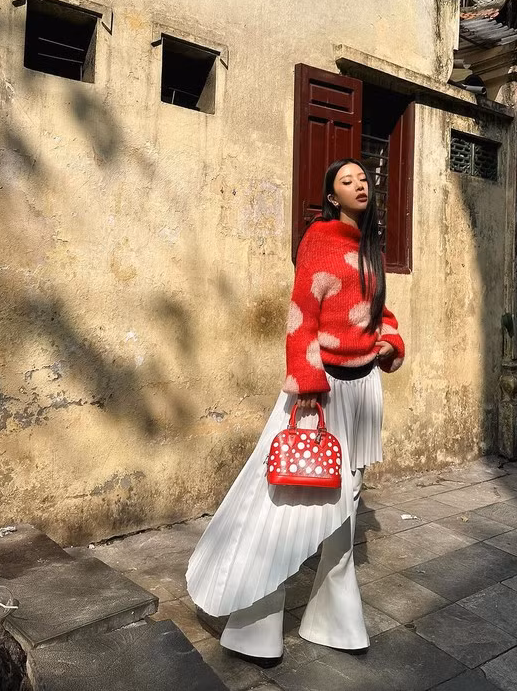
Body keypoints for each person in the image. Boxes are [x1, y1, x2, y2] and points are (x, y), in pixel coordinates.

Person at [186, 158, 404, 664]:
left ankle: (334, 621)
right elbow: (301, 315)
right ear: (331, 196)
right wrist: (306, 379)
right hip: (320, 390)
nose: (360, 185)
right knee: (287, 509)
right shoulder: (318, 242)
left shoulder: (370, 246)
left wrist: (390, 342)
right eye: (347, 181)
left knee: (346, 508)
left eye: (363, 179)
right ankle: (252, 629)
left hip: (364, 390)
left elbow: (380, 310)